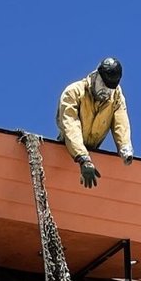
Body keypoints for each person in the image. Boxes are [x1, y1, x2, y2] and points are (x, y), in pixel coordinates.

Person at [56, 57, 133, 188]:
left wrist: (125, 147)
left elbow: (121, 120)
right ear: (96, 75)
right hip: (67, 148)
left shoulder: (115, 97)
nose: (105, 91)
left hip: (92, 151)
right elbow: (71, 125)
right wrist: (83, 158)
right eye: (103, 85)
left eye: (110, 88)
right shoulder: (74, 92)